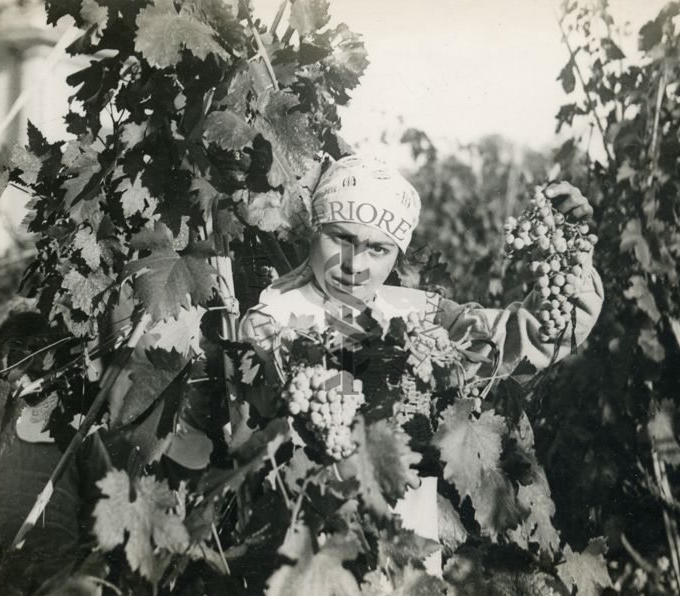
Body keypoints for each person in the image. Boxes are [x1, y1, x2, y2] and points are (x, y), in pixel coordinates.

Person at [238, 154, 604, 575]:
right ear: (314, 229)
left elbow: (532, 334)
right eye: (340, 237)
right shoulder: (268, 323)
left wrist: (568, 253)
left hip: (410, 553)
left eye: (378, 248)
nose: (355, 265)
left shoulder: (422, 315)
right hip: (310, 556)